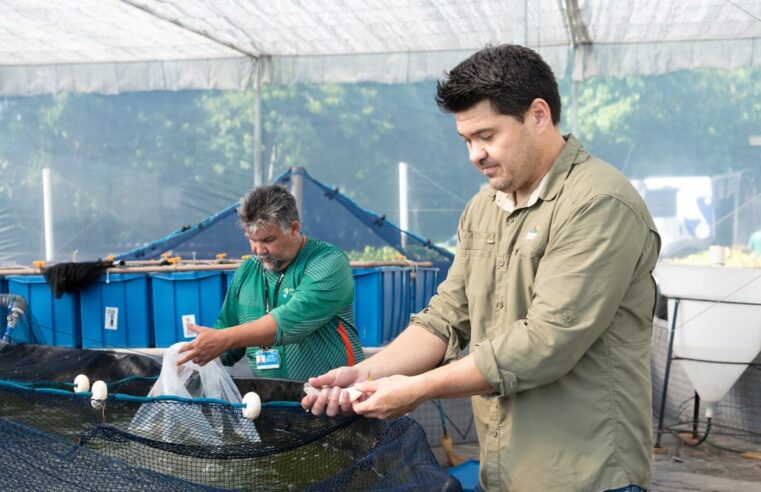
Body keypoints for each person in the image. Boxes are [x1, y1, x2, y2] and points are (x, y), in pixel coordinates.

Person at [302, 44, 660, 491]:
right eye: (467, 140)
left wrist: (417, 389)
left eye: (487, 136)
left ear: (538, 115)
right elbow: (446, 316)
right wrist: (369, 372)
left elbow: (545, 342)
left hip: (586, 474)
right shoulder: (483, 208)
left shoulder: (598, 202)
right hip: (504, 469)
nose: (475, 154)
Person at [177, 184, 364, 380]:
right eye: (252, 240)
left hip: (336, 396)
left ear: (293, 229)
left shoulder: (328, 262)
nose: (258, 250)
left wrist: (223, 339)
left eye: (267, 240)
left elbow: (290, 322)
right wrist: (191, 357)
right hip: (270, 401)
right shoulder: (247, 272)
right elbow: (225, 335)